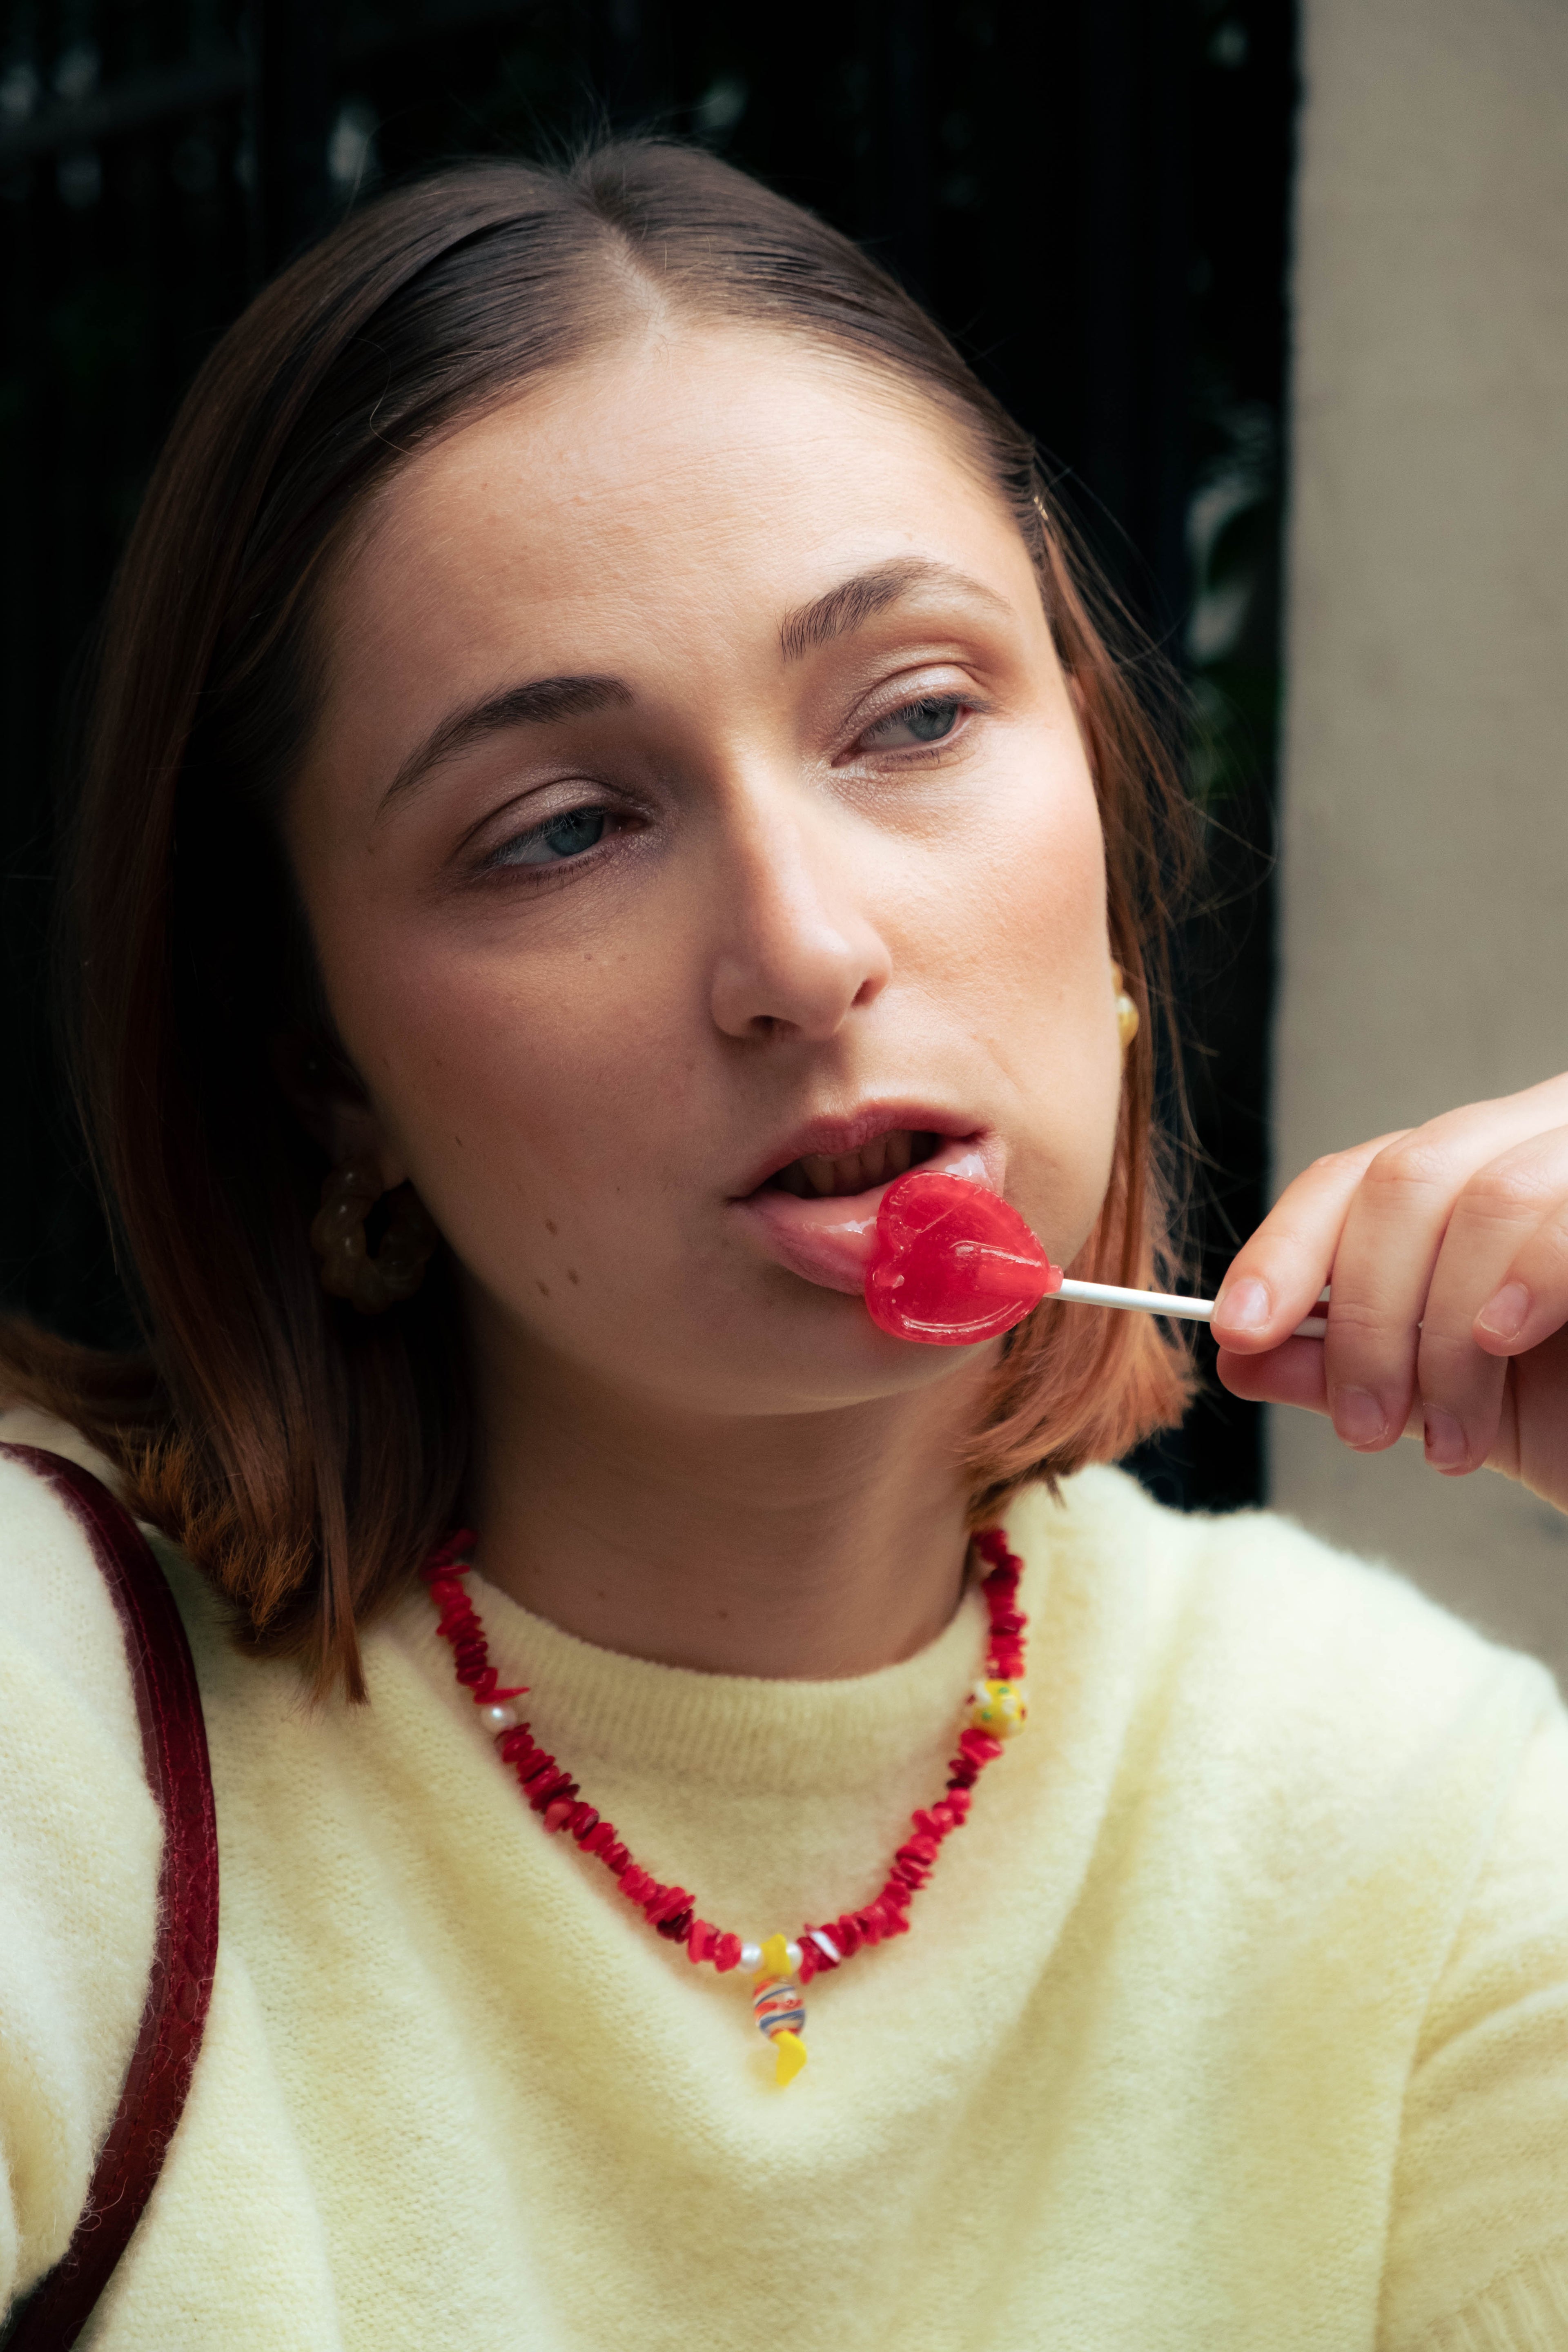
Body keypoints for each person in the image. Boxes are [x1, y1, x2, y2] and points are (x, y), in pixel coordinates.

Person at [1, 138, 1564, 2350]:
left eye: (916, 718)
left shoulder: (1409, 1806)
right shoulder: (48, 1729)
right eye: (563, 829)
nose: (808, 950)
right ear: (322, 1070)